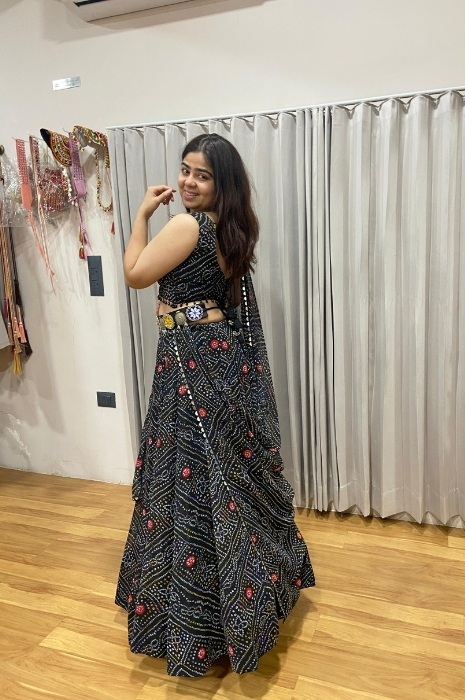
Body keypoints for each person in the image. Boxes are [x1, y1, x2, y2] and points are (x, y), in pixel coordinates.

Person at [115, 133, 315, 677]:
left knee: (192, 480)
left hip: (190, 364)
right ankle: (246, 597)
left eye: (201, 175)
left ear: (220, 183)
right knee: (222, 478)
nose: (187, 182)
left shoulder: (186, 226)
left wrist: (140, 217)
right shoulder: (232, 229)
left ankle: (200, 620)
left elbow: (135, 275)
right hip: (217, 356)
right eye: (184, 170)